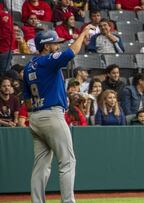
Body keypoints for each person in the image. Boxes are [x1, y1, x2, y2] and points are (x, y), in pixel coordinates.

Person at [23, 24, 94, 203]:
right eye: (55, 43)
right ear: (46, 46)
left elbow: (28, 101)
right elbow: (71, 53)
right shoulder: (47, 60)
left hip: (36, 117)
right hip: (52, 115)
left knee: (41, 165)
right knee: (67, 161)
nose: (57, 46)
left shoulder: (27, 67)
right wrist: (83, 32)